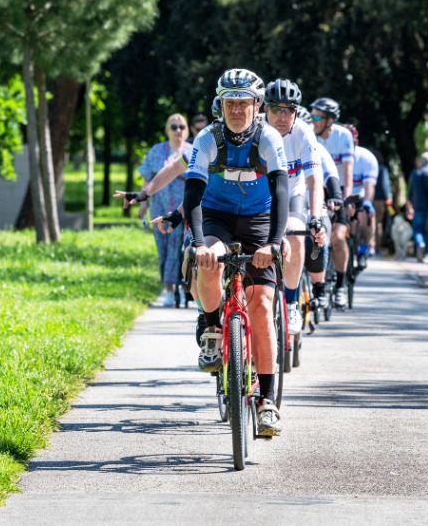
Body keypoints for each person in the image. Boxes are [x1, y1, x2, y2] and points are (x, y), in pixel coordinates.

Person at [185, 69, 289, 436]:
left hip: (260, 218)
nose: (237, 110)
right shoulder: (207, 139)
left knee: (261, 304)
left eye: (244, 103)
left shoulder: (268, 137)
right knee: (210, 261)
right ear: (221, 105)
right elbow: (193, 195)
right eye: (231, 103)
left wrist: (274, 243)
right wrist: (200, 245)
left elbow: (281, 193)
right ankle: (213, 325)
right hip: (216, 216)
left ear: (257, 106)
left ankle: (266, 401)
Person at [263, 79, 327, 335]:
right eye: (276, 108)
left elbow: (314, 179)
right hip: (262, 195)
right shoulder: (254, 129)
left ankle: (290, 301)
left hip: (293, 193)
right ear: (264, 108)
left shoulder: (303, 133)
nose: (282, 115)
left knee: (295, 230)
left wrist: (316, 218)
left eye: (289, 109)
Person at [138, 114, 193, 306]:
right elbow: (147, 177)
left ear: (186, 130)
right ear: (167, 130)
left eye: (181, 127)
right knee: (162, 248)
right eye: (174, 127)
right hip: (158, 208)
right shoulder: (156, 151)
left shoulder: (192, 151)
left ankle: (171, 288)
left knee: (174, 247)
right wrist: (143, 204)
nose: (178, 130)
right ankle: (169, 284)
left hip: (181, 209)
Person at [309, 97, 355, 291]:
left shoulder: (343, 135)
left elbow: (347, 171)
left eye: (318, 117)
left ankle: (340, 285)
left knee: (337, 236)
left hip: (339, 190)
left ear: (329, 120)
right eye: (312, 116)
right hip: (318, 189)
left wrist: (347, 200)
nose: (313, 120)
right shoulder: (309, 134)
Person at [346, 124, 378, 263]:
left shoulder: (366, 158)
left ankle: (364, 248)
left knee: (366, 214)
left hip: (359, 195)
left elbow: (369, 185)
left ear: (356, 143)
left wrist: (367, 202)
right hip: (340, 194)